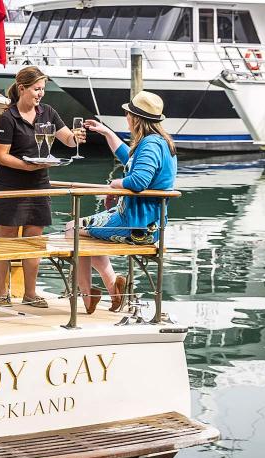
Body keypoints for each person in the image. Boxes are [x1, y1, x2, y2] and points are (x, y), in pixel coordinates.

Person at [71, 91, 178, 314]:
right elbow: (129, 160)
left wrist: (114, 184)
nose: (126, 117)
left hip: (136, 226)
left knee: (72, 229)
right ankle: (113, 290)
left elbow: (138, 181)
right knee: (85, 233)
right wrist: (107, 132)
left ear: (136, 118)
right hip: (147, 224)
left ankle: (91, 294)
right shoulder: (161, 142)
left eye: (128, 114)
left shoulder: (150, 144)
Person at [0, 67, 85, 308]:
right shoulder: (8, 118)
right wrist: (26, 166)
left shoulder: (48, 112)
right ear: (22, 88)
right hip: (10, 187)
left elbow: (67, 139)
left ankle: (30, 294)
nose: (41, 94)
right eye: (36, 89)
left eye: (43, 89)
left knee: (35, 241)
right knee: (7, 241)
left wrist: (76, 137)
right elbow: (1, 156)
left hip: (39, 185)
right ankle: (1, 293)